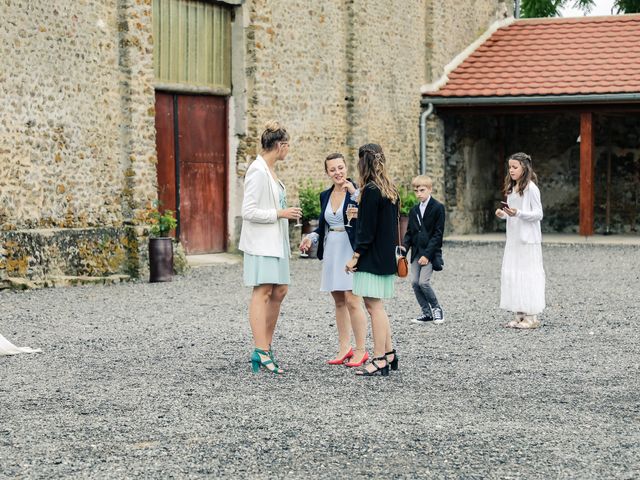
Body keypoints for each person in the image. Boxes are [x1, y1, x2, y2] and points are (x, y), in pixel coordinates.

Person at [239, 121, 302, 374]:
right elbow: (248, 211)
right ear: (281, 146)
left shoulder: (270, 170)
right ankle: (260, 350)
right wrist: (280, 213)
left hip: (278, 243)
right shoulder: (257, 170)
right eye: (288, 147)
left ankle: (266, 345)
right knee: (263, 291)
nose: (288, 151)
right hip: (262, 243)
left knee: (280, 291)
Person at [299, 153, 368, 367]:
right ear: (327, 172)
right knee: (338, 300)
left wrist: (355, 194)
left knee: (353, 300)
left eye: (340, 168)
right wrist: (310, 237)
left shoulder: (359, 192)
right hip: (332, 249)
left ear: (346, 168)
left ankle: (361, 350)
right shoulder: (324, 196)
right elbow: (323, 226)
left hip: (350, 249)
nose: (337, 172)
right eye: (332, 169)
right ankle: (344, 347)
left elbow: (367, 219)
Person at [345, 143, 399, 377]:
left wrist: (355, 257)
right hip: (386, 256)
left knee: (373, 307)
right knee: (378, 307)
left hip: (371, 256)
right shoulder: (389, 190)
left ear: (363, 162)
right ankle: (389, 353)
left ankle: (378, 358)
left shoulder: (370, 190)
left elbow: (367, 231)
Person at [495, 152, 545, 329]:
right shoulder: (512, 188)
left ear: (524, 168)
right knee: (514, 273)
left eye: (515, 167)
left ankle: (532, 317)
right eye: (510, 167)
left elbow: (538, 214)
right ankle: (520, 314)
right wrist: (504, 214)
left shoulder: (531, 188)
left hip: (528, 240)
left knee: (527, 274)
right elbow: (513, 213)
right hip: (514, 239)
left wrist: (519, 213)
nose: (511, 170)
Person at [402, 175, 445, 325]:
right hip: (416, 253)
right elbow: (409, 233)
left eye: (422, 190)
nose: (419, 193)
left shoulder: (438, 208)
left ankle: (437, 309)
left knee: (424, 283)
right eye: (416, 191)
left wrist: (427, 255)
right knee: (414, 282)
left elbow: (438, 235)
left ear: (430, 189)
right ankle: (426, 313)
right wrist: (403, 249)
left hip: (430, 253)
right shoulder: (414, 210)